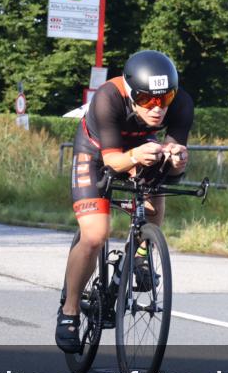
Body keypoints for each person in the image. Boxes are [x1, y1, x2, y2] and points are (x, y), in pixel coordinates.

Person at [57, 50, 193, 352]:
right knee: (95, 235)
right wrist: (134, 156)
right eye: (146, 100)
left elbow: (173, 162)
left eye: (165, 99)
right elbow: (112, 161)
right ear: (131, 94)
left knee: (158, 180)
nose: (157, 108)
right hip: (96, 152)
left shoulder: (182, 103)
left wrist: (177, 160)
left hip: (140, 146)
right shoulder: (108, 98)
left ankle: (141, 252)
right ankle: (69, 309)